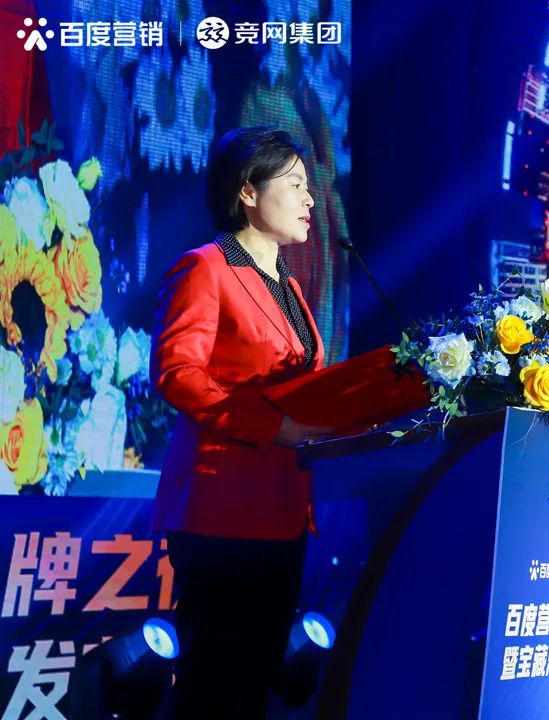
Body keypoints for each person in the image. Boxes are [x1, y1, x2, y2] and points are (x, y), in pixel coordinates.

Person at [151, 127, 334, 719]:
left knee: (254, 687)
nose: (310, 199)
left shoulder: (290, 287)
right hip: (222, 509)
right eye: (295, 184)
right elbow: (178, 372)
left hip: (283, 511)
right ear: (248, 192)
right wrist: (275, 428)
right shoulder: (206, 268)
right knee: (214, 688)